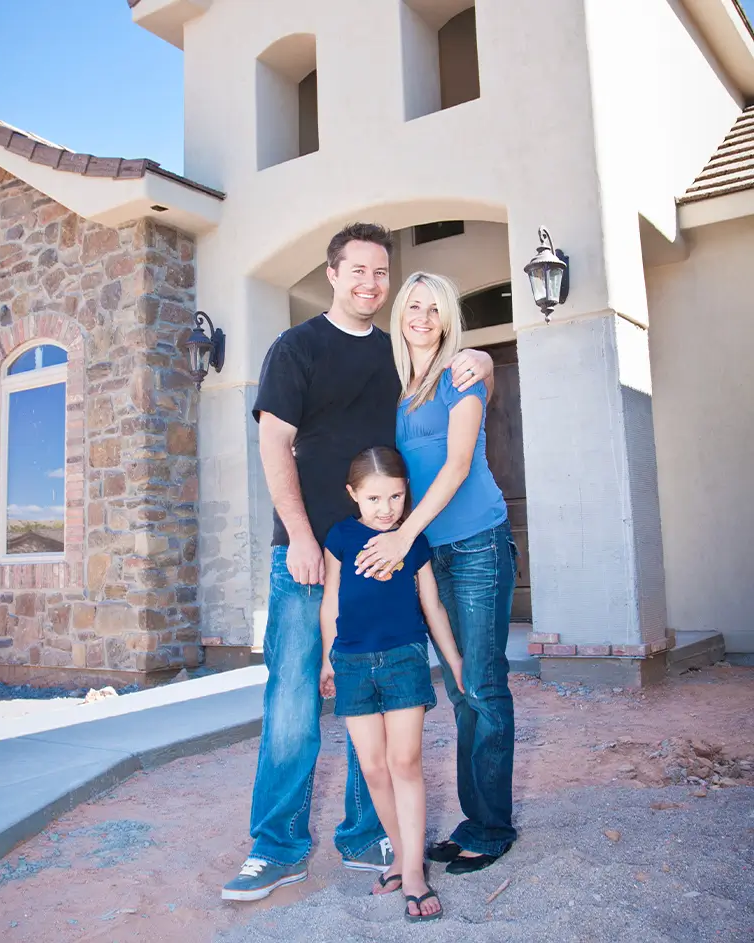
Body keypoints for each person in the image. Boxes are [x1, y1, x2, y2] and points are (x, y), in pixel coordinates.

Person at [222, 225, 494, 902]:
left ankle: (366, 834)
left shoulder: (394, 352)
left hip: (379, 556)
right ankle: (276, 845)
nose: (371, 284)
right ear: (333, 274)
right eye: (358, 271)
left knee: (367, 694)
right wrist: (300, 536)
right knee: (292, 701)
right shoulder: (297, 347)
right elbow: (274, 444)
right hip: (305, 554)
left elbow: (451, 365)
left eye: (381, 273)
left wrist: (482, 359)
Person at [354, 271, 518, 875]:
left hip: (475, 544)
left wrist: (402, 536)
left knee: (483, 684)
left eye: (434, 308)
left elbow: (456, 466)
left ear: (448, 318)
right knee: (459, 685)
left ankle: (492, 828)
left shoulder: (460, 375)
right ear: (400, 315)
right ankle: (476, 818)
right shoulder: (397, 388)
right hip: (430, 552)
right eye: (413, 307)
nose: (421, 317)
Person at [320, 446, 464, 922]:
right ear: (353, 494)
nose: (386, 509)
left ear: (407, 493)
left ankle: (415, 875)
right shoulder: (340, 537)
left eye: (396, 497)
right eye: (374, 498)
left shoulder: (412, 541)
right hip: (352, 664)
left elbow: (432, 605)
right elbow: (331, 602)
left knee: (404, 762)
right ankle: (403, 858)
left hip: (404, 659)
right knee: (374, 768)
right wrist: (326, 661)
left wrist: (454, 660)